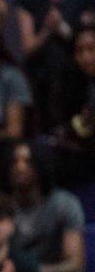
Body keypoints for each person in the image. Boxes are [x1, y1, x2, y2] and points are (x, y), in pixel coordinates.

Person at [16, 0, 95, 131]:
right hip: (41, 71)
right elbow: (27, 48)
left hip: (79, 70)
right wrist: (47, 31)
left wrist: (63, 28)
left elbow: (88, 39)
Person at [2, 140, 86, 272]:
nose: (20, 167)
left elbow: (75, 264)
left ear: (41, 165)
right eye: (15, 161)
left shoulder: (64, 204)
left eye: (28, 161)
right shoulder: (0, 207)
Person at [54, 25, 95, 188]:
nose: (86, 57)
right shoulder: (72, 83)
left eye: (92, 49)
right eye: (80, 51)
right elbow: (68, 123)